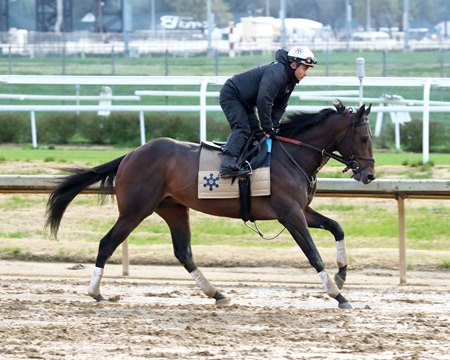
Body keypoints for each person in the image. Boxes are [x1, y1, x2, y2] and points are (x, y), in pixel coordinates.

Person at [219, 46, 317, 178]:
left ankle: (244, 163)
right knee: (242, 128)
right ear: (294, 64)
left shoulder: (290, 80)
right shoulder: (277, 73)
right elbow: (264, 100)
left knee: (256, 133)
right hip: (232, 94)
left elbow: (280, 106)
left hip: (245, 101)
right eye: (305, 68)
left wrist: (273, 126)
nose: (306, 73)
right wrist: (267, 126)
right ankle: (226, 165)